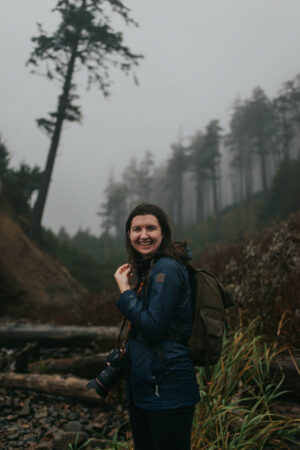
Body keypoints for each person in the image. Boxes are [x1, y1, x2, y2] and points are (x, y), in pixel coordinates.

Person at [114, 203, 200, 450]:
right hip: (149, 385)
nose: (143, 235)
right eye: (136, 229)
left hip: (168, 387)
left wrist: (125, 292)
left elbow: (153, 328)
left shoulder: (167, 269)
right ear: (128, 235)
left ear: (163, 232)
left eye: (150, 228)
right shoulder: (149, 269)